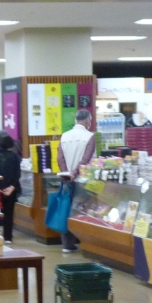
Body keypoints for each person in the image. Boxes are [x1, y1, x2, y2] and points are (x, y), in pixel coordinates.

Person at [56, 108, 96, 253]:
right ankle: (85, 243)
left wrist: (67, 174)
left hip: (67, 180)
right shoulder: (90, 136)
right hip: (83, 181)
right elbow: (86, 160)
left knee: (66, 209)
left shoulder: (64, 136)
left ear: (75, 120)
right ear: (88, 121)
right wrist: (74, 174)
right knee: (81, 210)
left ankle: (67, 244)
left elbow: (60, 158)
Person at [0, 132, 23, 243]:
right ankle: (8, 237)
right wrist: (12, 187)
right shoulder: (15, 156)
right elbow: (17, 174)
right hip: (10, 190)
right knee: (9, 214)